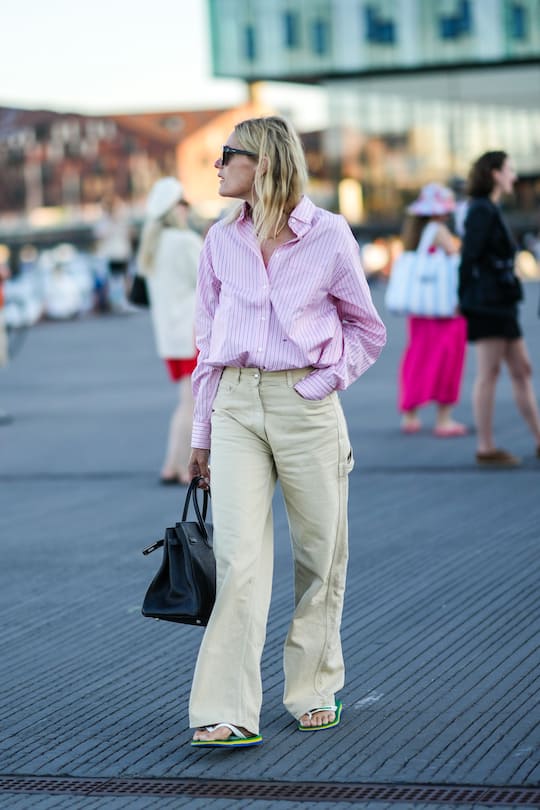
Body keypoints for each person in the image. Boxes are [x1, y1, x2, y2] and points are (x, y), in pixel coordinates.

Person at [187, 115, 386, 748]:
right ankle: (227, 710)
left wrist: (321, 384)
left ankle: (312, 686)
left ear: (264, 162)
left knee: (318, 555)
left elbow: (367, 330)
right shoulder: (220, 241)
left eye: (227, 155)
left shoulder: (329, 236)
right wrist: (201, 434)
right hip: (236, 406)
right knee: (237, 559)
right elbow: (205, 346)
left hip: (306, 404)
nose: (216, 166)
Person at [458, 151, 540, 467]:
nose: (514, 177)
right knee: (489, 373)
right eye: (510, 170)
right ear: (494, 173)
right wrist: (465, 299)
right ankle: (486, 446)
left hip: (499, 303)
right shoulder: (481, 210)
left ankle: (536, 439)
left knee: (522, 370)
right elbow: (470, 258)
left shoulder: (488, 208)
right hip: (489, 304)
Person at [137, 178, 203, 484]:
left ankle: (171, 463)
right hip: (194, 330)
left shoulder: (151, 246)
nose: (187, 209)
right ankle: (180, 466)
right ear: (174, 208)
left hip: (170, 337)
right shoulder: (185, 242)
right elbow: (208, 282)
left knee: (186, 400)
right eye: (184, 203)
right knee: (194, 402)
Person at [398, 183, 468, 436]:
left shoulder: (415, 233)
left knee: (417, 357)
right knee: (448, 360)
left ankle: (410, 415)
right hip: (444, 310)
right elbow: (457, 256)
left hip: (421, 310)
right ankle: (444, 419)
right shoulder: (438, 230)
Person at [94, 193, 133, 313]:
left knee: (123, 278)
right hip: (111, 254)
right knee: (111, 279)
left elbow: (129, 234)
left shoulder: (121, 219)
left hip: (120, 253)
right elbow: (99, 235)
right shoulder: (105, 221)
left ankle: (124, 302)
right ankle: (109, 303)